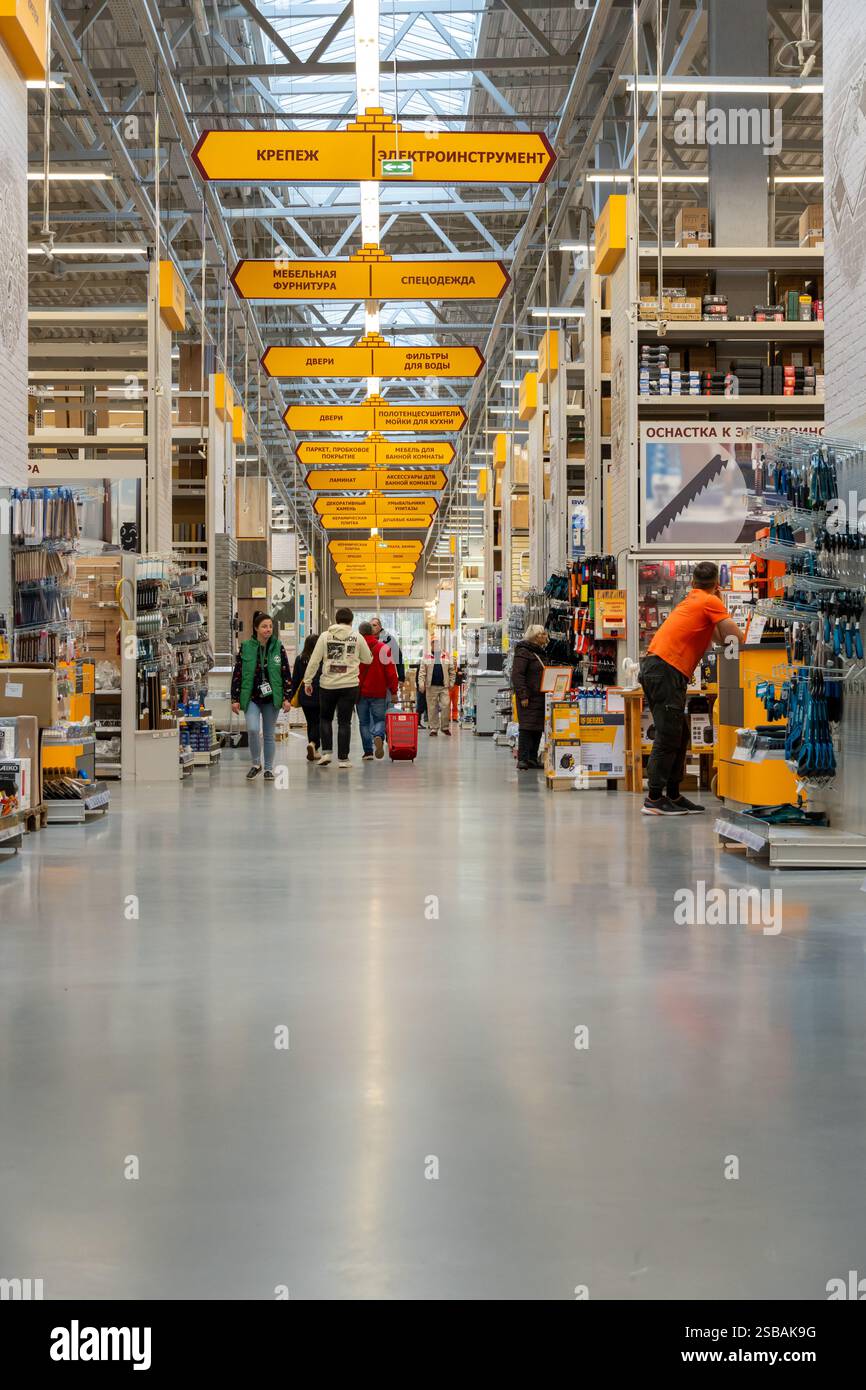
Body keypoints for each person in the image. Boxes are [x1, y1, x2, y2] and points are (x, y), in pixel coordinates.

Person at [640, 560, 745, 816]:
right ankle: (654, 798)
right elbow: (734, 638)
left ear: (692, 582)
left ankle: (673, 795)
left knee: (680, 733)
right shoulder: (709, 601)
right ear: (717, 584)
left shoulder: (694, 601)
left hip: (659, 668)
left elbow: (719, 637)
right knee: (667, 735)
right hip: (666, 670)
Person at [303, 607, 373, 768]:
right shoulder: (357, 637)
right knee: (344, 722)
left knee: (325, 719)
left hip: (327, 685)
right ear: (351, 620)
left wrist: (308, 681)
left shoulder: (325, 636)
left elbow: (314, 660)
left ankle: (327, 753)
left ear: (336, 619)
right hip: (349, 686)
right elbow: (368, 659)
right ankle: (343, 759)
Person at [230, 611, 292, 781]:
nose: (268, 629)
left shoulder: (278, 646)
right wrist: (234, 699)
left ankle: (269, 769)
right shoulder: (246, 647)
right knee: (252, 729)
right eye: (264, 626)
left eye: (270, 626)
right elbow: (238, 673)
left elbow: (286, 673)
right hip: (251, 697)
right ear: (256, 628)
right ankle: (256, 764)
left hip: (272, 698)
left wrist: (287, 697)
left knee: (269, 734)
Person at [357, 621, 398, 760]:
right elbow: (391, 672)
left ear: (360, 634)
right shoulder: (383, 648)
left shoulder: (356, 649)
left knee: (364, 722)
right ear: (373, 633)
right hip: (379, 692)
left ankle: (368, 752)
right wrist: (394, 691)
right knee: (379, 719)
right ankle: (378, 736)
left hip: (360, 692)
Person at [511, 624, 550, 770]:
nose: (546, 637)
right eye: (543, 634)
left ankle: (533, 758)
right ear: (536, 636)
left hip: (540, 696)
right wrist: (523, 695)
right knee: (527, 727)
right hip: (528, 697)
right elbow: (517, 675)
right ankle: (523, 759)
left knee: (538, 727)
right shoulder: (523, 652)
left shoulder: (540, 652)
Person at [291, 632, 321, 762]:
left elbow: (295, 679)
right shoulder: (321, 659)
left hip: (304, 694)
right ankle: (314, 744)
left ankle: (312, 746)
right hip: (319, 693)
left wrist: (291, 696)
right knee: (319, 721)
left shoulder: (299, 658)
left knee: (310, 722)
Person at [418, 643, 455, 736]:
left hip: (444, 686)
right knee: (432, 708)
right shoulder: (426, 657)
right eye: (434, 644)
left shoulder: (446, 656)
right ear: (431, 645)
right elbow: (422, 672)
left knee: (446, 705)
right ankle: (434, 728)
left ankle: (445, 727)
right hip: (431, 686)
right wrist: (421, 684)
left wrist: (451, 683)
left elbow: (452, 671)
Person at [370, 616, 405, 684]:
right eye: (370, 625)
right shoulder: (367, 639)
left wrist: (401, 677)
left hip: (386, 677)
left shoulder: (389, 639)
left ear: (380, 627)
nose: (372, 627)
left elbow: (398, 658)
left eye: (374, 625)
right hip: (372, 677)